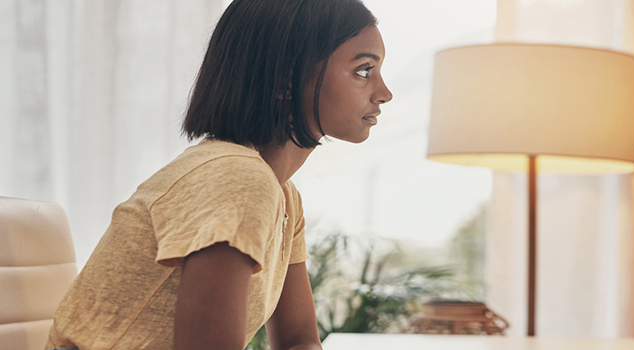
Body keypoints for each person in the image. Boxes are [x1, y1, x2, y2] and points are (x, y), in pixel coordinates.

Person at [45, 0, 391, 349]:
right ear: (287, 79)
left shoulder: (284, 196)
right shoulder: (237, 179)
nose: (384, 93)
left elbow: (298, 341)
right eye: (364, 70)